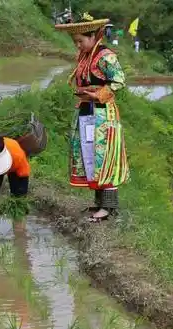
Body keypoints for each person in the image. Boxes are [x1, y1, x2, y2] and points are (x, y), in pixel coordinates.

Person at [54, 15, 129, 222]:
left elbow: (119, 81)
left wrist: (97, 94)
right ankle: (99, 204)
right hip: (86, 111)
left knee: (103, 157)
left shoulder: (106, 56)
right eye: (75, 42)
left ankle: (108, 208)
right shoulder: (84, 56)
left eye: (81, 41)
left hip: (103, 114)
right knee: (89, 155)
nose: (78, 45)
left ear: (93, 36)